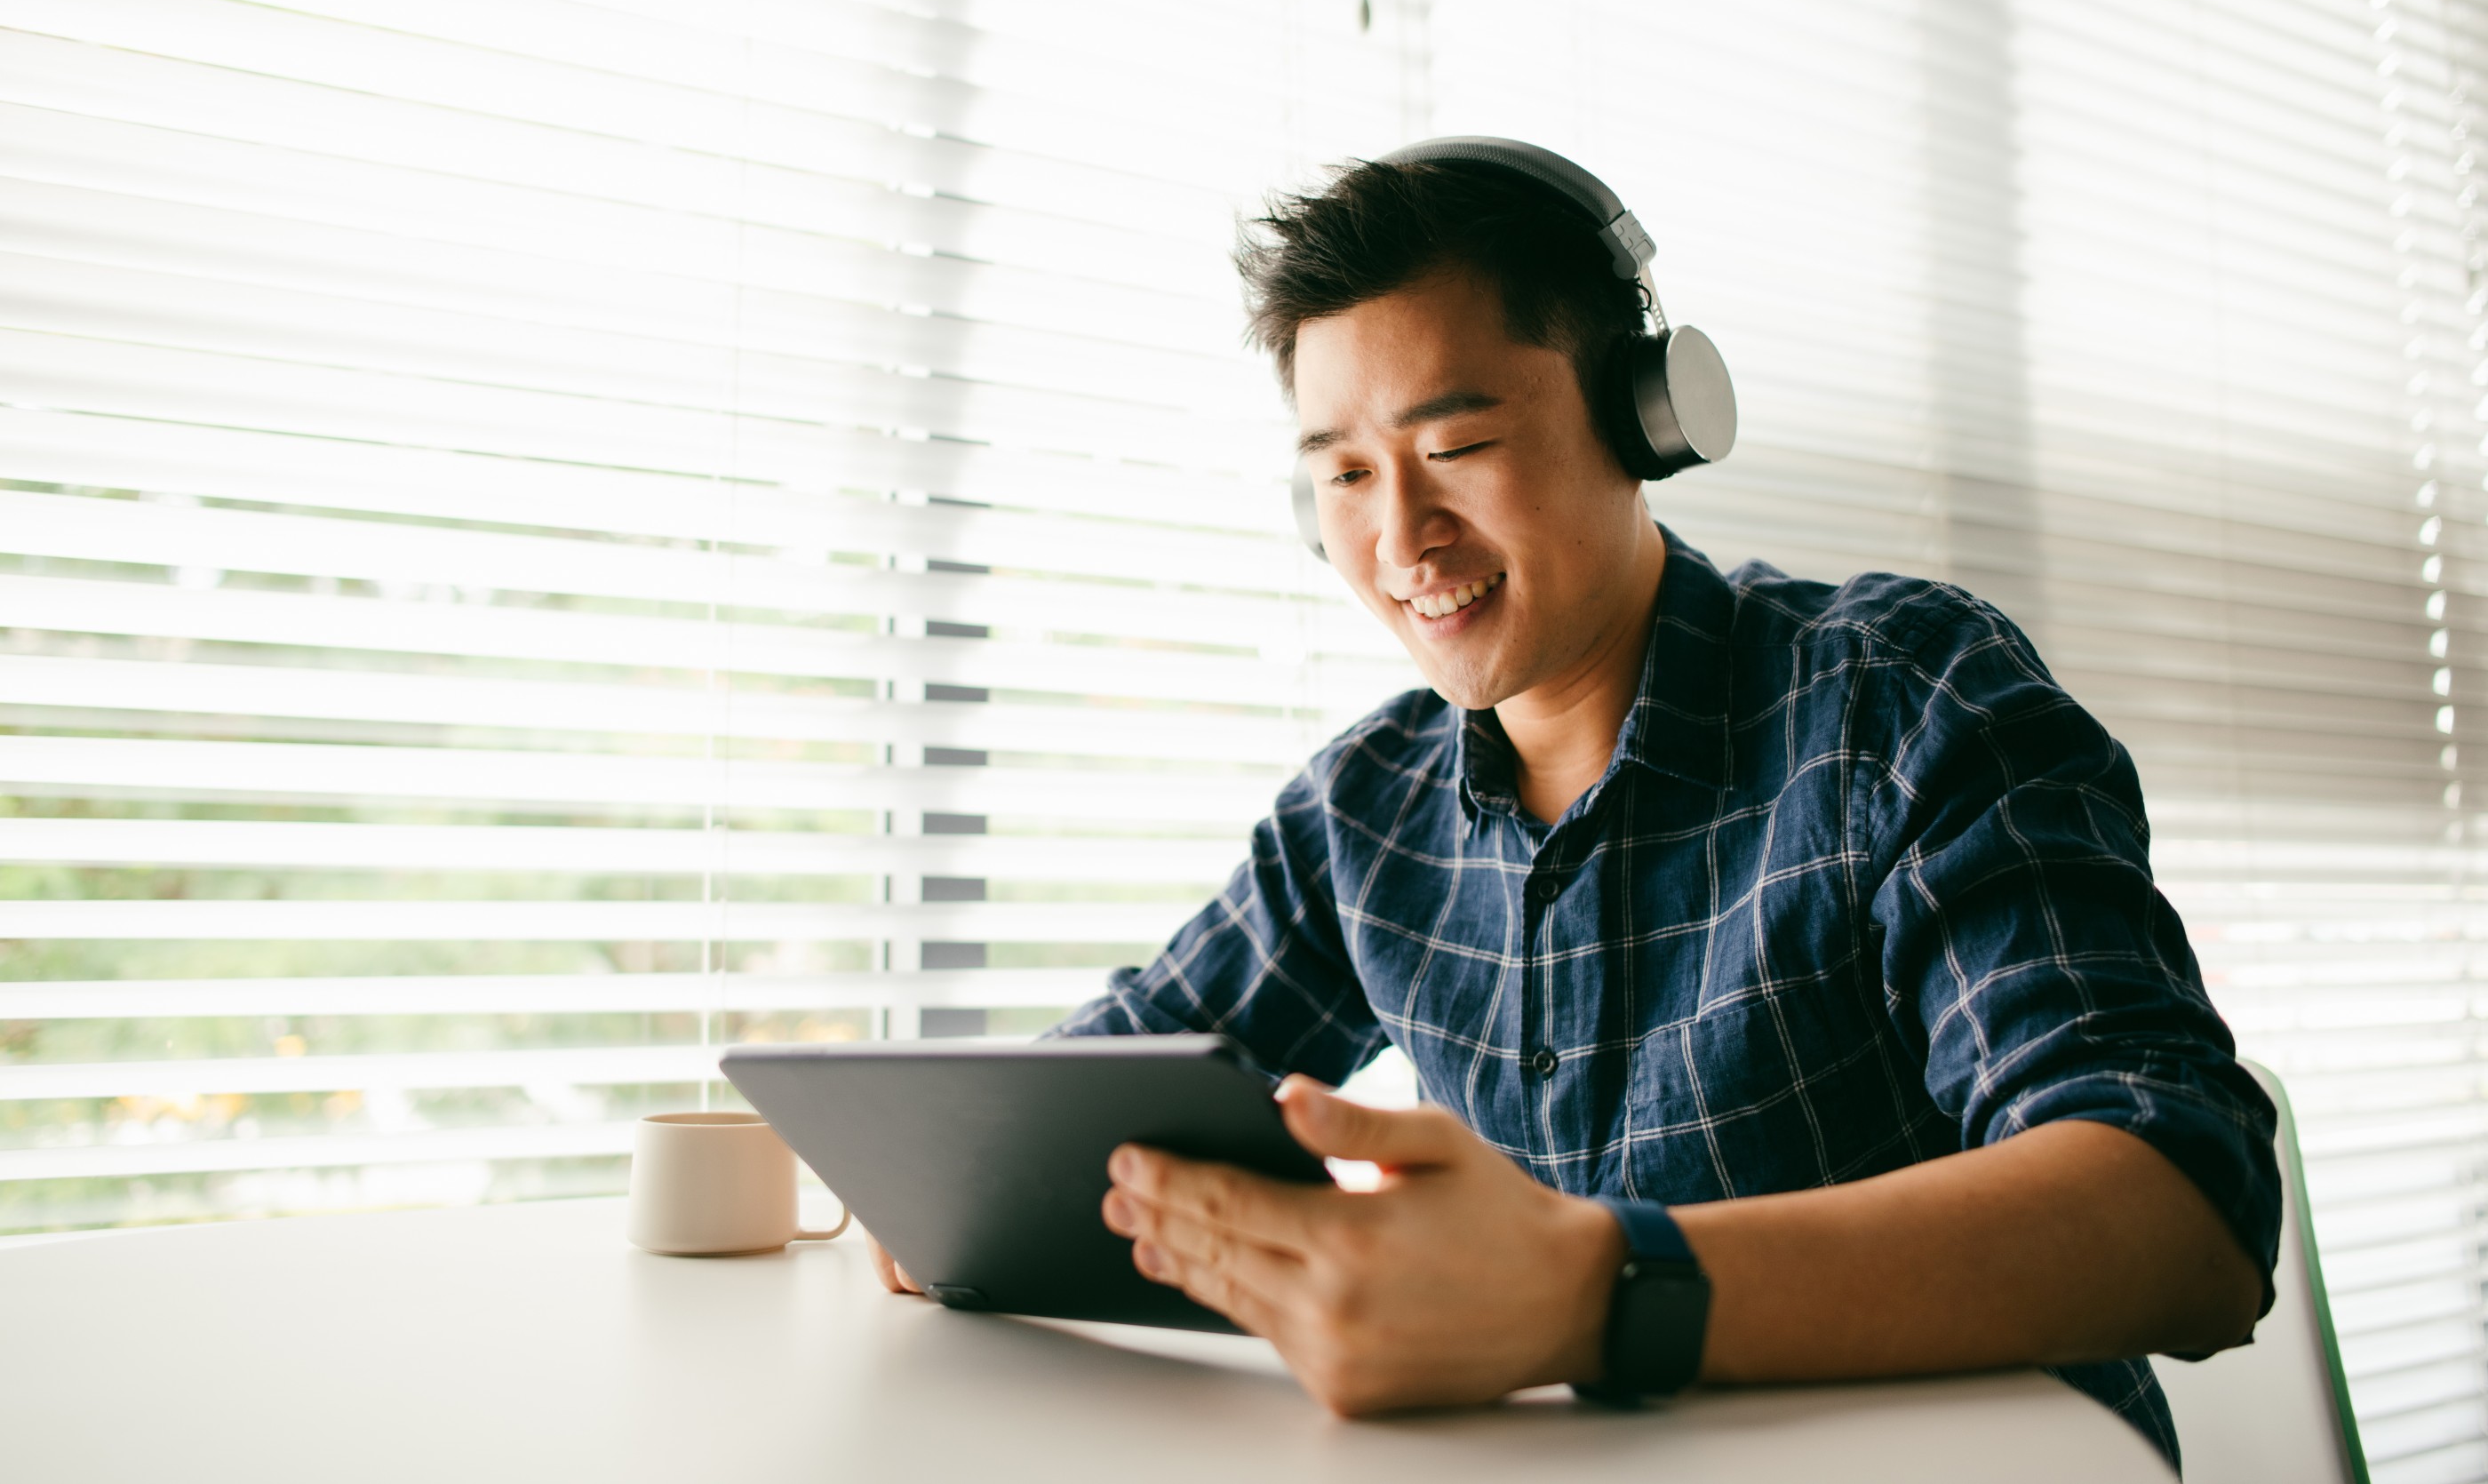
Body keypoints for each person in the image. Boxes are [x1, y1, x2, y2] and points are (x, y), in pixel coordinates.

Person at [870, 143, 2278, 1469]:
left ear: (1646, 417)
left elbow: (2180, 1209)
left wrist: (1592, 1289)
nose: (1400, 538)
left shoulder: (1896, 697)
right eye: (1346, 475)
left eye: (1456, 446)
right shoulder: (1367, 807)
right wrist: (943, 1181)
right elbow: (1083, 1117)